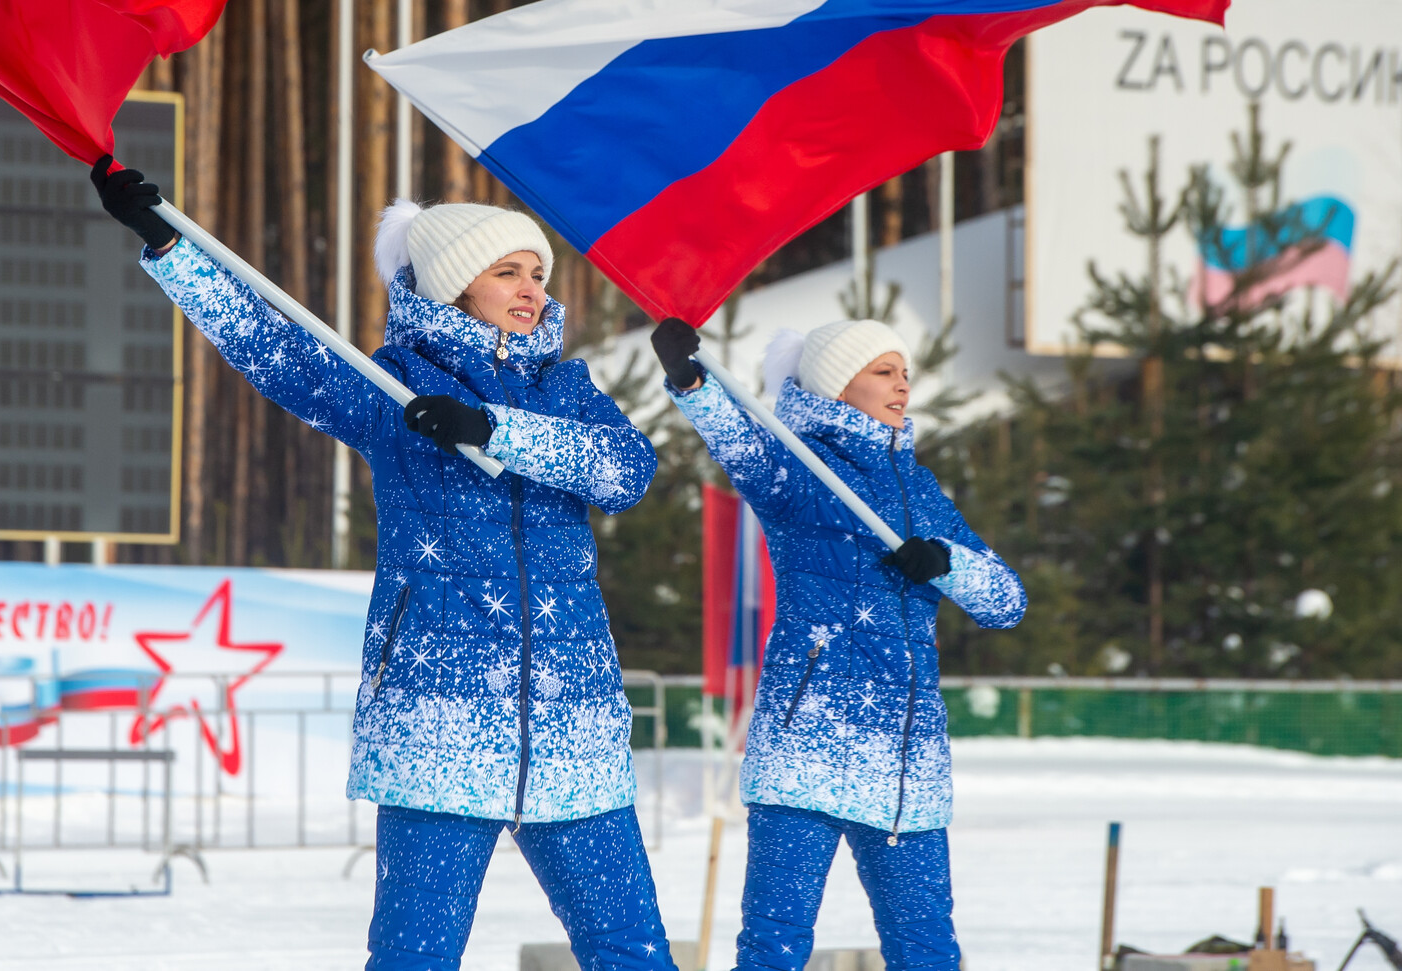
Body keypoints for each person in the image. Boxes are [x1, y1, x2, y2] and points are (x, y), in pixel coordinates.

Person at [95, 159, 678, 971]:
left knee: (633, 954)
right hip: (438, 716)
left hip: (573, 717)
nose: (532, 289)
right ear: (449, 283)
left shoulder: (568, 387)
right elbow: (275, 349)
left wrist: (492, 430)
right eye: (506, 270)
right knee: (414, 957)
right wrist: (170, 245)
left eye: (538, 273)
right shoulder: (391, 383)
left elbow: (625, 471)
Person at [650, 316, 1026, 971]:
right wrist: (689, 378)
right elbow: (737, 441)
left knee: (928, 949)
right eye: (884, 371)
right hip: (805, 748)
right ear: (836, 383)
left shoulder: (923, 489)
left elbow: (1006, 601)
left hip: (905, 757)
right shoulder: (796, 470)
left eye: (905, 372)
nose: (903, 385)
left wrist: (946, 560)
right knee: (773, 945)